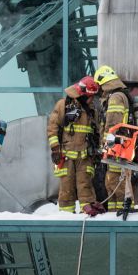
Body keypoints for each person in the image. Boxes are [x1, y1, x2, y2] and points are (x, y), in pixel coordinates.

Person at [47, 76, 101, 213]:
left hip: (85, 156)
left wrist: (97, 152)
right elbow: (52, 127)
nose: (92, 100)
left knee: (86, 186)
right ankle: (66, 216)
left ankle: (88, 213)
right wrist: (55, 149)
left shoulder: (92, 110)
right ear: (83, 95)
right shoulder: (63, 105)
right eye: (90, 96)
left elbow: (97, 132)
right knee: (66, 189)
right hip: (66, 156)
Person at [94, 65, 132, 212]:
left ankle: (122, 213)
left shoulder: (115, 98)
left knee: (117, 182)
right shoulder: (118, 95)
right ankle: (113, 212)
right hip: (118, 146)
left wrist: (105, 144)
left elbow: (113, 124)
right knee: (111, 183)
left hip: (117, 148)